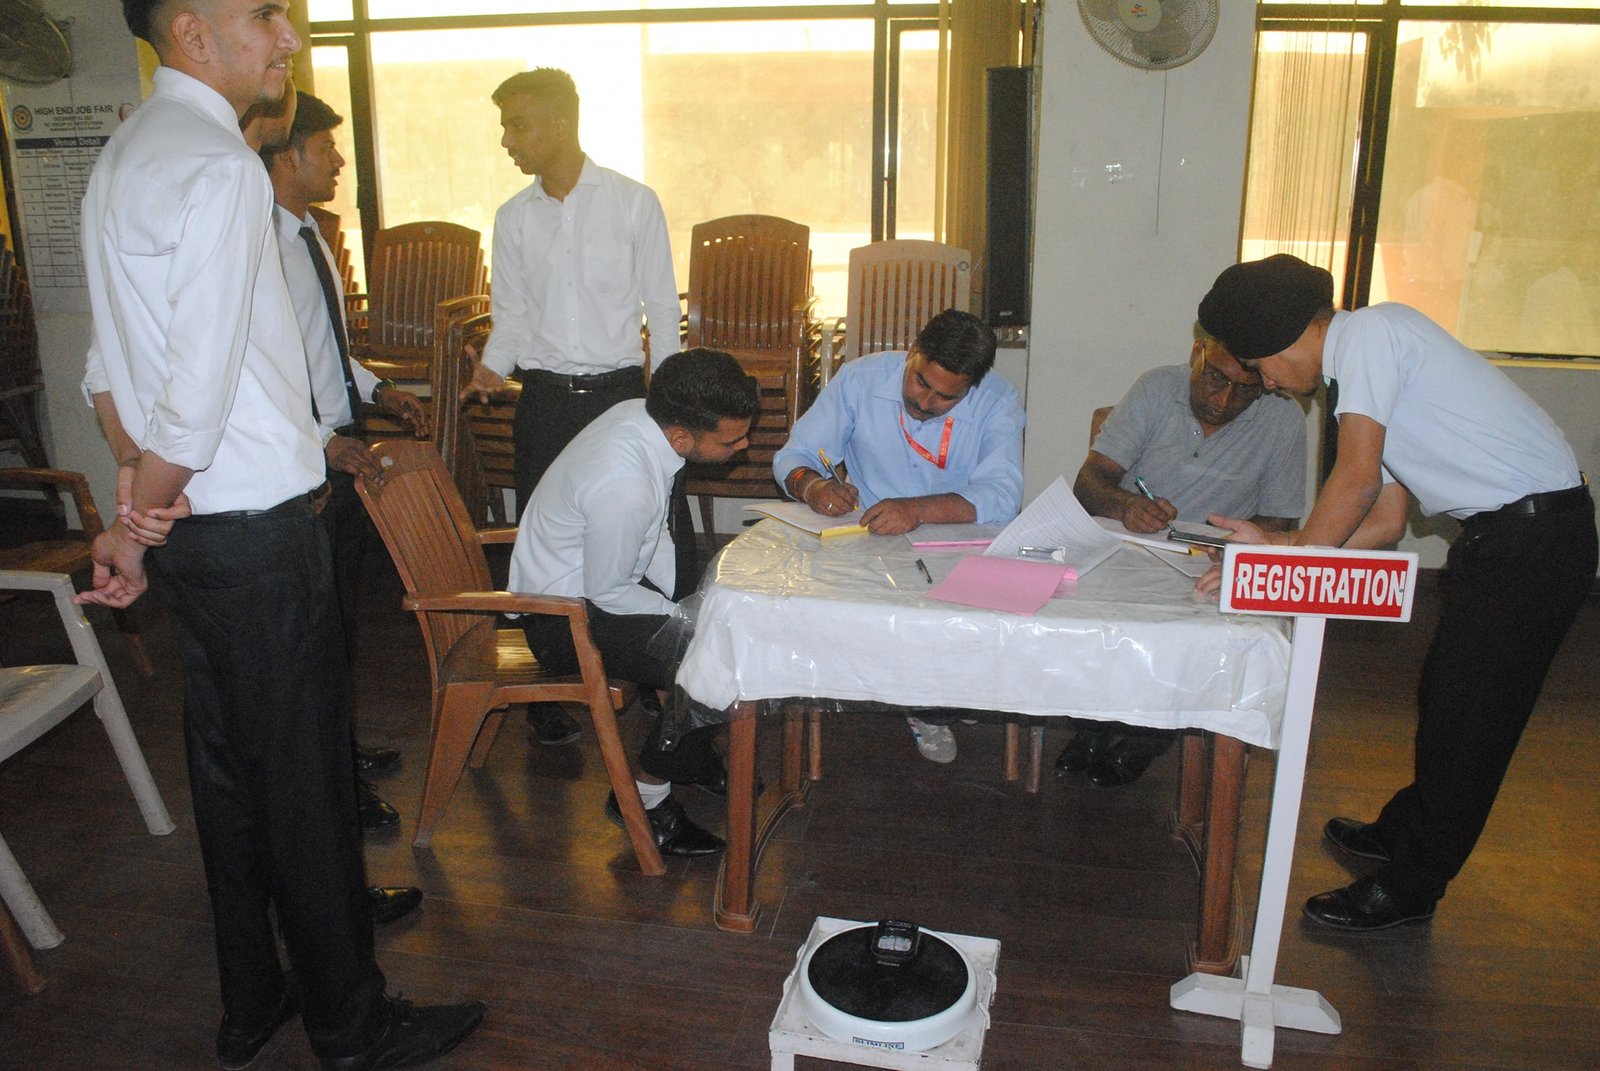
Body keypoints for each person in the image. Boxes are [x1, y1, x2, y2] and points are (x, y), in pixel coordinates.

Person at [77, 3, 484, 1068]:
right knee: (304, 784)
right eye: (265, 14)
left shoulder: (126, 154)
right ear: (192, 29)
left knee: (229, 776)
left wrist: (137, 507)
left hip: (200, 539)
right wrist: (137, 520)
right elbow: (197, 397)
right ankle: (351, 1023)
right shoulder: (219, 166)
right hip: (256, 535)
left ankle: (253, 995)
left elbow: (110, 371)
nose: (288, 38)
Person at [1195, 253, 1595, 932]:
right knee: (1447, 697)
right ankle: (1406, 830)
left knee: (1473, 719)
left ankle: (1414, 885)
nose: (1271, 383)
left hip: (1535, 539)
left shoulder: (1371, 337)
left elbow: (1354, 485)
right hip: (1512, 538)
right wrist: (1278, 547)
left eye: (1261, 368)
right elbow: (1382, 519)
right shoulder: (1364, 363)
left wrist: (1283, 580)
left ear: (1287, 339)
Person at [462, 66, 682, 749]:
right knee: (542, 542)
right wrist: (490, 368)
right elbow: (511, 318)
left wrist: (668, 405)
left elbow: (663, 312)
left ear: (561, 123)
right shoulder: (512, 217)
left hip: (622, 399)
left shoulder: (633, 202)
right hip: (547, 404)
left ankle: (655, 673)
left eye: (518, 125)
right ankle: (548, 686)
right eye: (505, 126)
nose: (508, 140)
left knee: (643, 531)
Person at [257, 90, 429, 841]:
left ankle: (338, 749)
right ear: (286, 154)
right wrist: (321, 443)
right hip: (304, 458)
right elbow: (265, 368)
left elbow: (324, 348)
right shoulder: (260, 244)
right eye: (326, 148)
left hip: (339, 442)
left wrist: (379, 390)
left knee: (338, 625)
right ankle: (329, 787)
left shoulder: (308, 235)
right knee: (313, 634)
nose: (337, 161)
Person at [510, 348, 760, 856]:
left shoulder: (640, 417)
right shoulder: (623, 480)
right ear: (681, 437)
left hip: (592, 587)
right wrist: (685, 619)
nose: (745, 445)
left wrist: (690, 606)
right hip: (562, 617)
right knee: (715, 662)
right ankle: (643, 799)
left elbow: (648, 542)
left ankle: (687, 756)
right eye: (732, 440)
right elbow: (608, 590)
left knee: (716, 632)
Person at [773, 308, 1026, 763]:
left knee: (972, 614)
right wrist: (812, 487)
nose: (925, 403)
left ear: (972, 386)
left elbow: (1002, 495)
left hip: (958, 538)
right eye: (920, 382)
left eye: (946, 397)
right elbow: (796, 454)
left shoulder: (998, 401)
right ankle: (926, 704)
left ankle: (943, 697)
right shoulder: (861, 380)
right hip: (872, 538)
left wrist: (918, 510)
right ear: (912, 353)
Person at [1059, 326, 1306, 787]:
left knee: (1194, 636)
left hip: (1209, 562)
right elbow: (1089, 483)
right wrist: (1126, 505)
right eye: (1216, 378)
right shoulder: (1157, 387)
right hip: (1131, 548)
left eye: (1245, 389)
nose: (1225, 399)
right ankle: (1093, 723)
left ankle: (1151, 734)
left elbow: (1280, 521)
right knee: (1095, 616)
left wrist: (1231, 544)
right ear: (1197, 353)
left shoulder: (1283, 419)